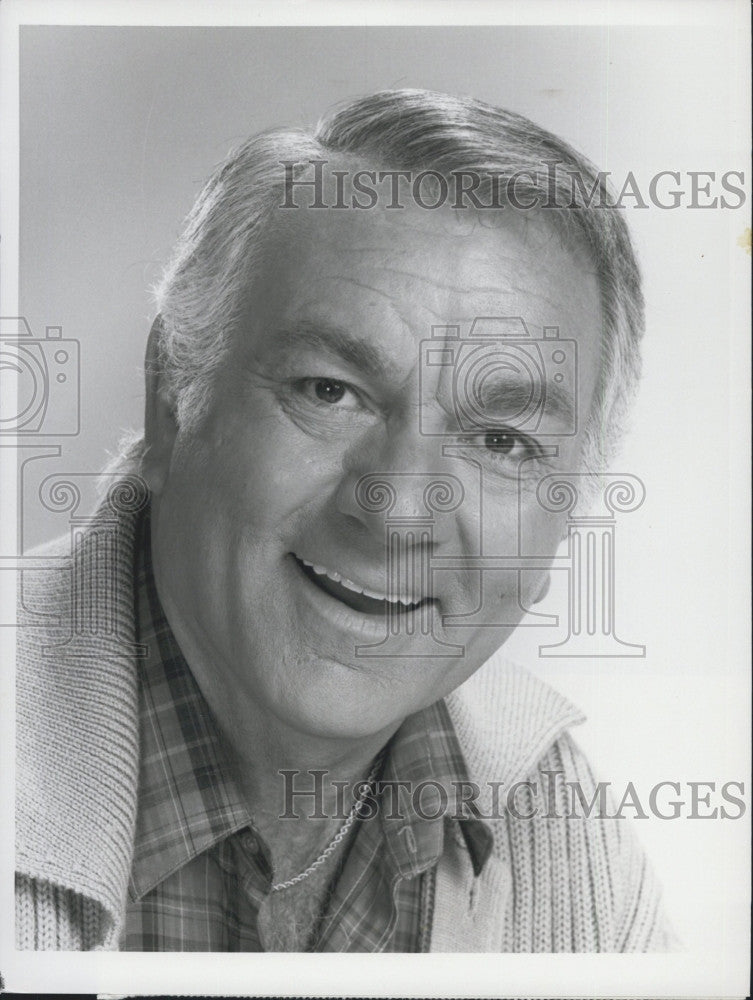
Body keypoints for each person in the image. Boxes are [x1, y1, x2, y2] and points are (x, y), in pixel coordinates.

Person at [16, 89, 676, 952]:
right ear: (172, 399)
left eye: (501, 440)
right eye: (329, 392)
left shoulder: (566, 841)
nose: (400, 511)